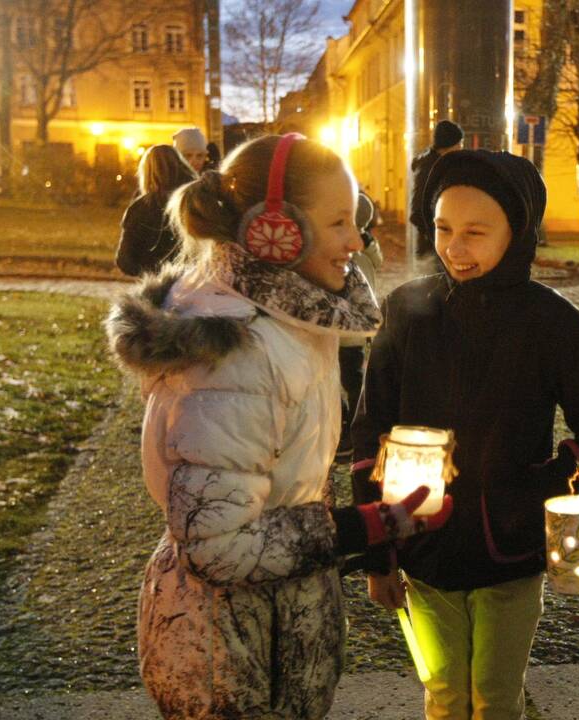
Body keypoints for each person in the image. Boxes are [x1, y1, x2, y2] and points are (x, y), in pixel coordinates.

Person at [105, 134, 452, 720]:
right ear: (277, 229)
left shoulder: (283, 316)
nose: (357, 240)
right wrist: (366, 525)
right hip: (228, 647)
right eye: (339, 221)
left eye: (357, 217)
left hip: (271, 622)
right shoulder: (242, 350)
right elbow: (218, 544)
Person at [352, 149, 579, 720]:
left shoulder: (551, 321)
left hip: (511, 555)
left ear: (517, 230)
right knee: (445, 697)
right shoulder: (406, 311)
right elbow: (370, 430)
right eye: (443, 228)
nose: (455, 247)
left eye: (476, 231)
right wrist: (378, 554)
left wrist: (536, 495)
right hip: (421, 549)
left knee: (496, 700)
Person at [336, 190, 385, 459]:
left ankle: (348, 430)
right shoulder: (367, 245)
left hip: (346, 328)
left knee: (345, 379)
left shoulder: (347, 247)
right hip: (354, 328)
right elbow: (379, 262)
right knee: (352, 379)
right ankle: (351, 427)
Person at [115, 144, 195, 277]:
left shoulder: (141, 208)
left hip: (158, 287)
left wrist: (151, 273)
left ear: (146, 172)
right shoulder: (195, 200)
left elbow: (125, 260)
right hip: (193, 281)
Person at [410, 120, 464, 260]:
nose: (460, 147)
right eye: (458, 143)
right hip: (433, 246)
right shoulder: (429, 168)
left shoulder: (446, 165)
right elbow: (417, 209)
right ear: (448, 145)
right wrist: (435, 233)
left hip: (444, 243)